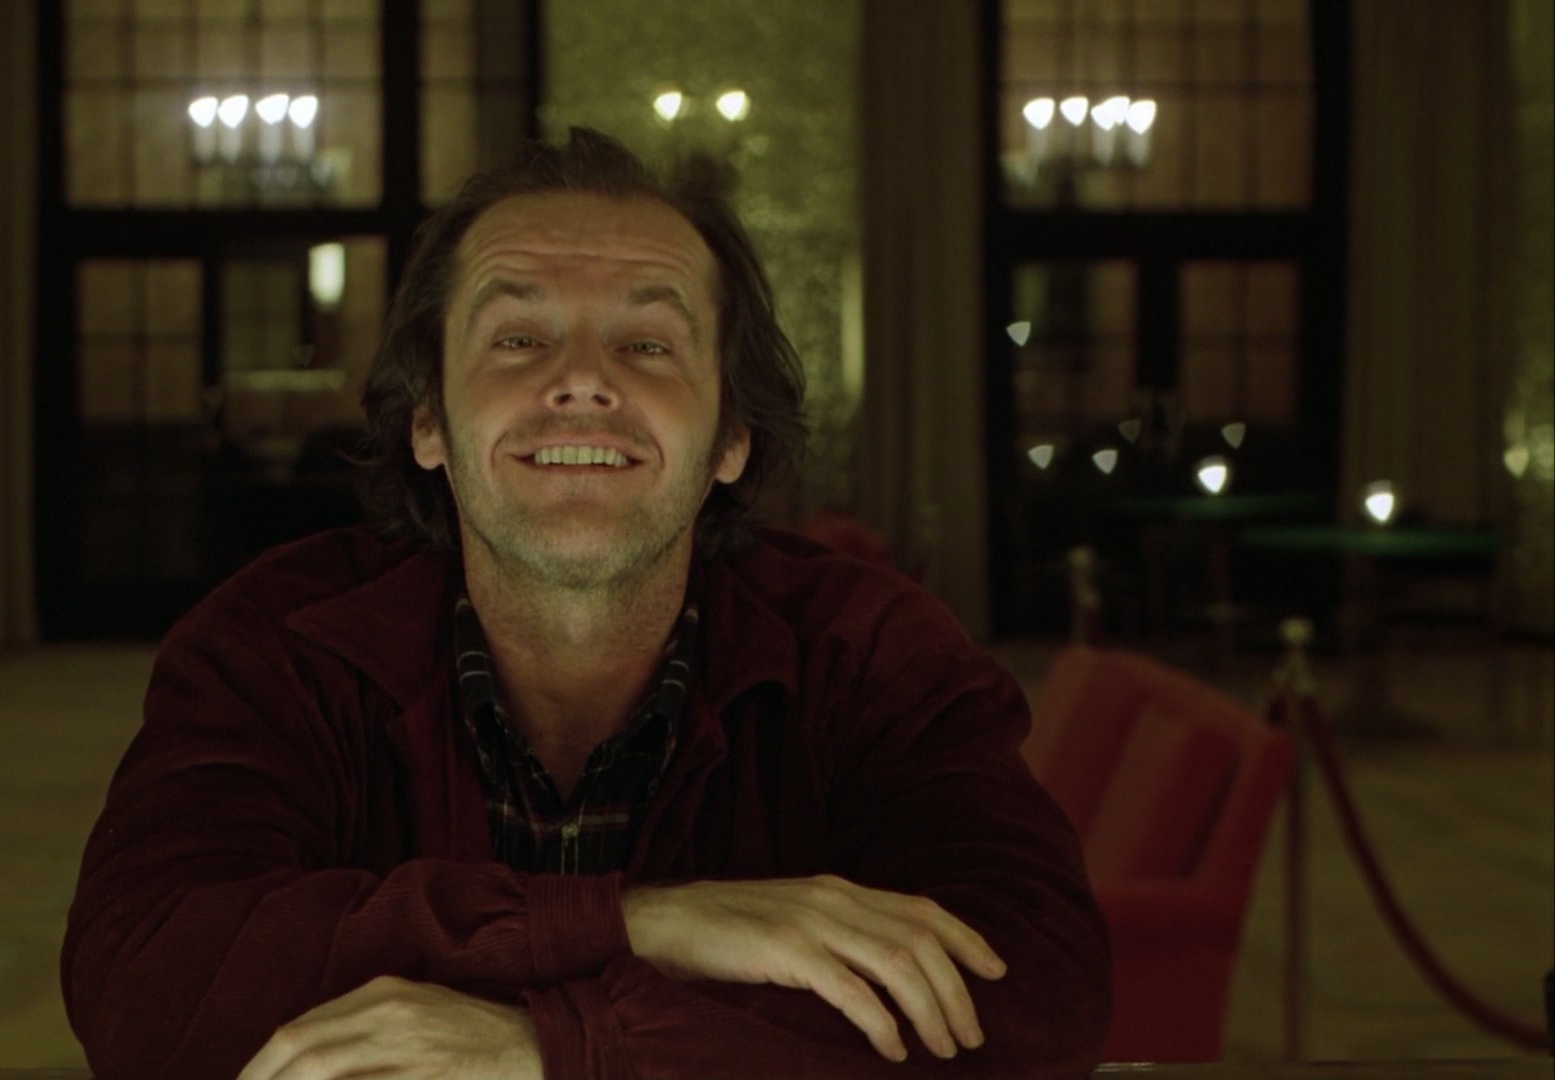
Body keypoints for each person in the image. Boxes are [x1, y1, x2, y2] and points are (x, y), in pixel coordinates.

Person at [62, 128, 1110, 1079]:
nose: (581, 382)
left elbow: (1037, 992)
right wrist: (635, 925)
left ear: (731, 438)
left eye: (647, 346)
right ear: (428, 421)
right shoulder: (273, 642)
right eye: (519, 338)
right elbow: (145, 980)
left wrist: (562, 1046)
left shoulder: (871, 651)